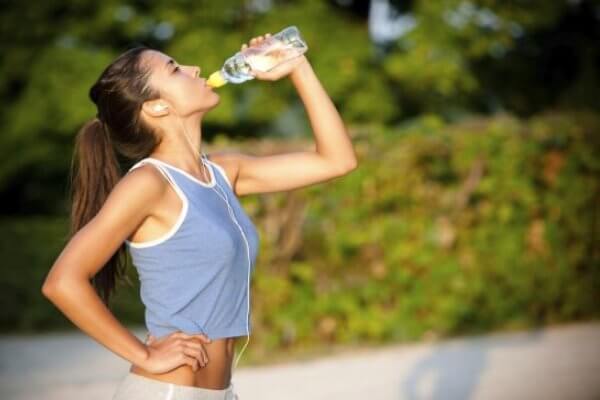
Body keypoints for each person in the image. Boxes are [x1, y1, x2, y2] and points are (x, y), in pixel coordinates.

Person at [41, 32, 358, 400]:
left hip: (221, 392)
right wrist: (143, 354)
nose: (193, 69)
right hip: (170, 391)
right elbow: (62, 282)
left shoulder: (223, 172)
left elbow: (338, 160)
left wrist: (298, 67)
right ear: (157, 107)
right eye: (175, 70)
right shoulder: (149, 183)